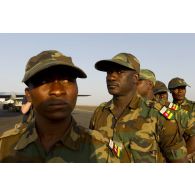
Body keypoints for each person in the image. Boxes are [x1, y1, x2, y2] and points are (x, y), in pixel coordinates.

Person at [89, 53, 187, 163]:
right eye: (109, 72)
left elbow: (178, 160)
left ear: (135, 78)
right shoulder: (100, 112)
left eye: (120, 72)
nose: (111, 77)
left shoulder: (157, 115)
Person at [0, 50, 93, 163]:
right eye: (44, 81)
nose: (58, 91)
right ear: (28, 95)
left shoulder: (103, 150)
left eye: (67, 80)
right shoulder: (3, 146)